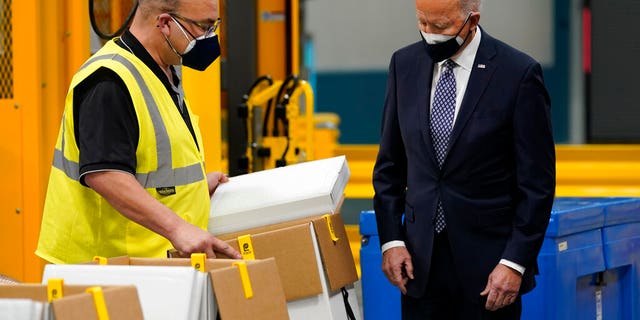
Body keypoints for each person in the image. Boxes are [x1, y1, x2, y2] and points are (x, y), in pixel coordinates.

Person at [372, 0, 556, 318]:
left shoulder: (517, 74)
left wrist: (515, 262)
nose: (429, 34)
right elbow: (390, 166)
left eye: (440, 27)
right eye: (422, 23)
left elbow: (536, 186)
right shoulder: (404, 65)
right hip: (420, 267)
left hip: (490, 271)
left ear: (472, 20)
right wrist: (391, 241)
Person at [36, 0, 241, 264]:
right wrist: (177, 228)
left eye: (214, 26)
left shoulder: (163, 71)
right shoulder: (109, 80)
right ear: (166, 23)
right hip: (102, 272)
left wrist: (195, 189)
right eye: (203, 27)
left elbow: (152, 162)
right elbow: (106, 174)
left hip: (145, 267)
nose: (209, 38)